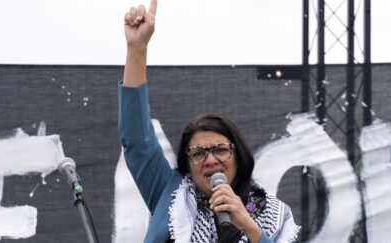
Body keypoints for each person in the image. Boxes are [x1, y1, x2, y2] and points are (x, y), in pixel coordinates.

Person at [118, 0, 300, 242]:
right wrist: (137, 48)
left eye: (220, 150)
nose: (210, 160)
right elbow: (136, 139)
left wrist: (248, 225)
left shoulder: (271, 213)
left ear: (239, 156)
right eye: (199, 153)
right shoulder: (171, 194)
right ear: (188, 165)